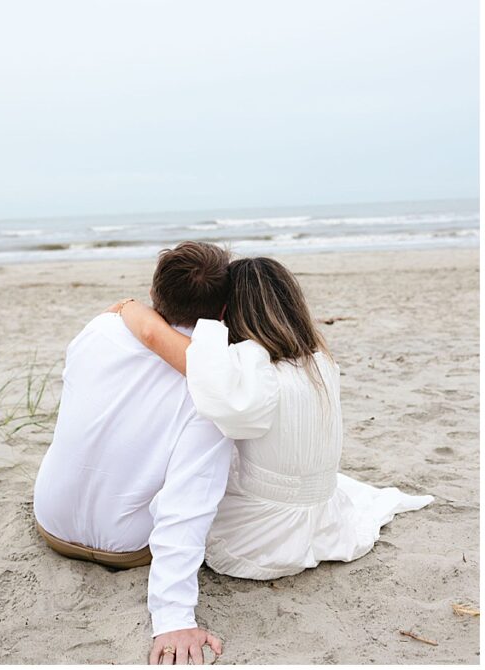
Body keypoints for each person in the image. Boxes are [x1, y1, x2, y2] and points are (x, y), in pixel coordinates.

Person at [117, 255, 433, 586]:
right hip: (324, 517)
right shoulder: (318, 361)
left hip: (261, 539)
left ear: (229, 311)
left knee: (166, 496)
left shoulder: (248, 371)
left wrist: (128, 306)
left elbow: (162, 342)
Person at [33, 242, 231, 666]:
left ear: (155, 292)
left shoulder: (99, 330)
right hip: (127, 547)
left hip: (50, 517)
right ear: (223, 310)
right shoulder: (211, 379)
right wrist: (173, 618)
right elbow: (187, 505)